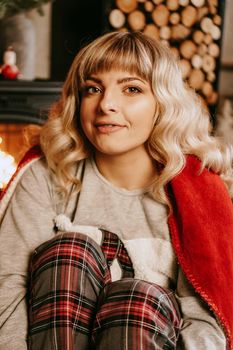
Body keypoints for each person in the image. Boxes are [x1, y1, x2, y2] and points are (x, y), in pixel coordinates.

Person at [0, 31, 233, 350]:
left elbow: (207, 321)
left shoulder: (198, 191)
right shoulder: (44, 175)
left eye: (132, 89)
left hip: (146, 336)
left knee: (135, 299)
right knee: (69, 254)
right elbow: (8, 288)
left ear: (162, 104)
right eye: (93, 89)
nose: (106, 104)